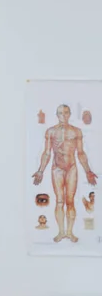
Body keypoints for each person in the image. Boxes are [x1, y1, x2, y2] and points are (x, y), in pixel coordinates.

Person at [32, 104, 97, 243]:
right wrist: (40, 171)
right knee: (59, 201)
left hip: (72, 168)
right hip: (57, 169)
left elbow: (80, 153)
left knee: (70, 201)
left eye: (66, 112)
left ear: (70, 114)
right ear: (57, 115)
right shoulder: (50, 131)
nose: (63, 115)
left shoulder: (76, 131)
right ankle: (61, 232)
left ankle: (69, 232)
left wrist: (88, 171)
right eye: (61, 113)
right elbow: (47, 153)